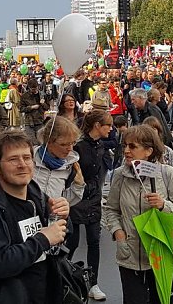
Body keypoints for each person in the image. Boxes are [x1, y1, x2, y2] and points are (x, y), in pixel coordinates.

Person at [0, 129, 71, 303]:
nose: (22, 164)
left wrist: (62, 217)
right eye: (13, 159)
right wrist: (42, 239)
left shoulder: (36, 196)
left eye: (27, 157)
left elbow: (60, 241)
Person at [103, 124, 173, 304]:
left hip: (162, 256)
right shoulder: (120, 175)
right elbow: (111, 209)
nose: (126, 151)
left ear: (148, 151)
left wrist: (163, 205)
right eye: (125, 146)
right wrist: (118, 233)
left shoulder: (168, 174)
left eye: (133, 146)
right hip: (130, 256)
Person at [66, 109, 112, 301]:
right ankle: (66, 279)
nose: (111, 129)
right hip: (77, 197)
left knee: (94, 241)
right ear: (97, 126)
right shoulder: (79, 146)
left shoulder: (101, 145)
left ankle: (93, 283)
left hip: (93, 198)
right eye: (107, 125)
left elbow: (103, 169)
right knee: (72, 242)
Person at [33, 116, 85, 206]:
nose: (70, 149)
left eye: (73, 143)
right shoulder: (29, 160)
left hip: (52, 218)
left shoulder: (70, 166)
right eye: (64, 144)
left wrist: (78, 186)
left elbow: (64, 201)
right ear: (48, 141)